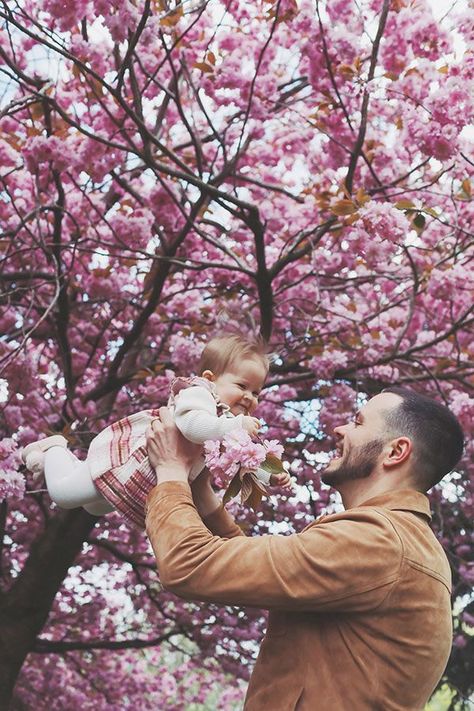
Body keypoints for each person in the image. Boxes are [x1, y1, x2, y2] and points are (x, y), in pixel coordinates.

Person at [144, 387, 464, 710]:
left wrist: (171, 469)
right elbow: (259, 569)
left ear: (395, 452)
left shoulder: (377, 540)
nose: (339, 429)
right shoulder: (397, 540)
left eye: (357, 422)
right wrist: (204, 497)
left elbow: (186, 564)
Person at [21, 334, 290, 527]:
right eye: (242, 386)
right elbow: (192, 427)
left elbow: (242, 460)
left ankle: (70, 462)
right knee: (64, 495)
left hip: (146, 476)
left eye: (256, 392)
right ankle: (55, 446)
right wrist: (234, 426)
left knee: (94, 507)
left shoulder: (225, 423)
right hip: (129, 462)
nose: (250, 397)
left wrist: (270, 474)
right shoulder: (200, 394)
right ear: (211, 379)